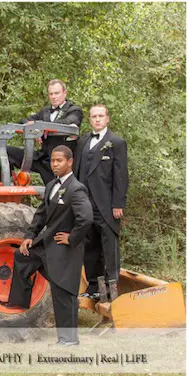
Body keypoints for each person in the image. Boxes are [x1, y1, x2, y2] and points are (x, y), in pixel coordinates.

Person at [5, 145, 93, 345]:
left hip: (65, 249)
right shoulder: (53, 185)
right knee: (22, 256)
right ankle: (19, 303)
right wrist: (30, 235)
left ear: (70, 162)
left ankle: (69, 340)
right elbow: (42, 214)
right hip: (46, 244)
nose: (54, 164)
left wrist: (71, 238)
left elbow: (86, 218)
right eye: (53, 161)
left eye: (59, 161)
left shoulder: (76, 188)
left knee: (63, 293)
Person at [73, 104, 129, 298]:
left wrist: (118, 204)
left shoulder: (116, 142)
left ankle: (112, 292)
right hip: (85, 205)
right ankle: (94, 288)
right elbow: (77, 171)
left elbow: (121, 176)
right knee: (90, 247)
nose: (97, 119)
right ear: (90, 120)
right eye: (93, 116)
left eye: (100, 116)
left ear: (107, 119)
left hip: (106, 206)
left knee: (109, 249)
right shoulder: (82, 141)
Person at [7, 79, 84, 184]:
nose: (53, 96)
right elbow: (24, 121)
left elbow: (67, 122)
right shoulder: (45, 111)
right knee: (8, 151)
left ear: (64, 93)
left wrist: (42, 127)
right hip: (43, 157)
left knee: (55, 193)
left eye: (56, 93)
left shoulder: (74, 110)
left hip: (61, 162)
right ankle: (7, 185)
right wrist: (35, 128)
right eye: (51, 94)